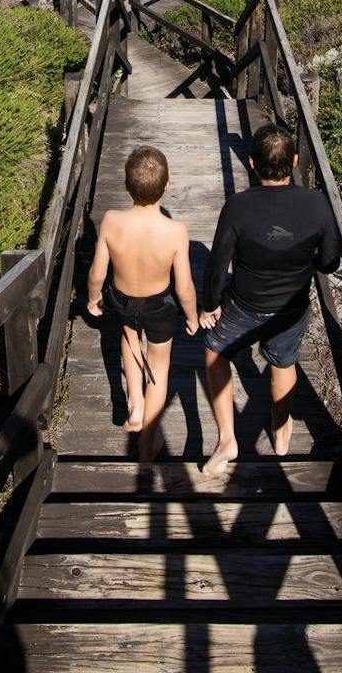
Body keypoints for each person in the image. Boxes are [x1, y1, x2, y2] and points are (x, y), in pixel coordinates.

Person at [197, 123, 342, 475]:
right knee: (283, 362)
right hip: (291, 307)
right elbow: (329, 262)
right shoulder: (316, 203)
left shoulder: (238, 206)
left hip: (244, 305)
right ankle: (281, 432)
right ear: (294, 161)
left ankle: (227, 438)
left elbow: (217, 264)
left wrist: (210, 304)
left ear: (251, 163)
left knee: (215, 351)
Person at [86, 145, 198, 462]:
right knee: (159, 371)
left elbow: (97, 272)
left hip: (121, 299)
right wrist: (191, 316)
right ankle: (147, 443)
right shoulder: (176, 231)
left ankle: (134, 401)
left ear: (125, 184)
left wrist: (94, 299)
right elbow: (184, 286)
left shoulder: (110, 221)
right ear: (166, 187)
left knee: (129, 335)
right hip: (159, 306)